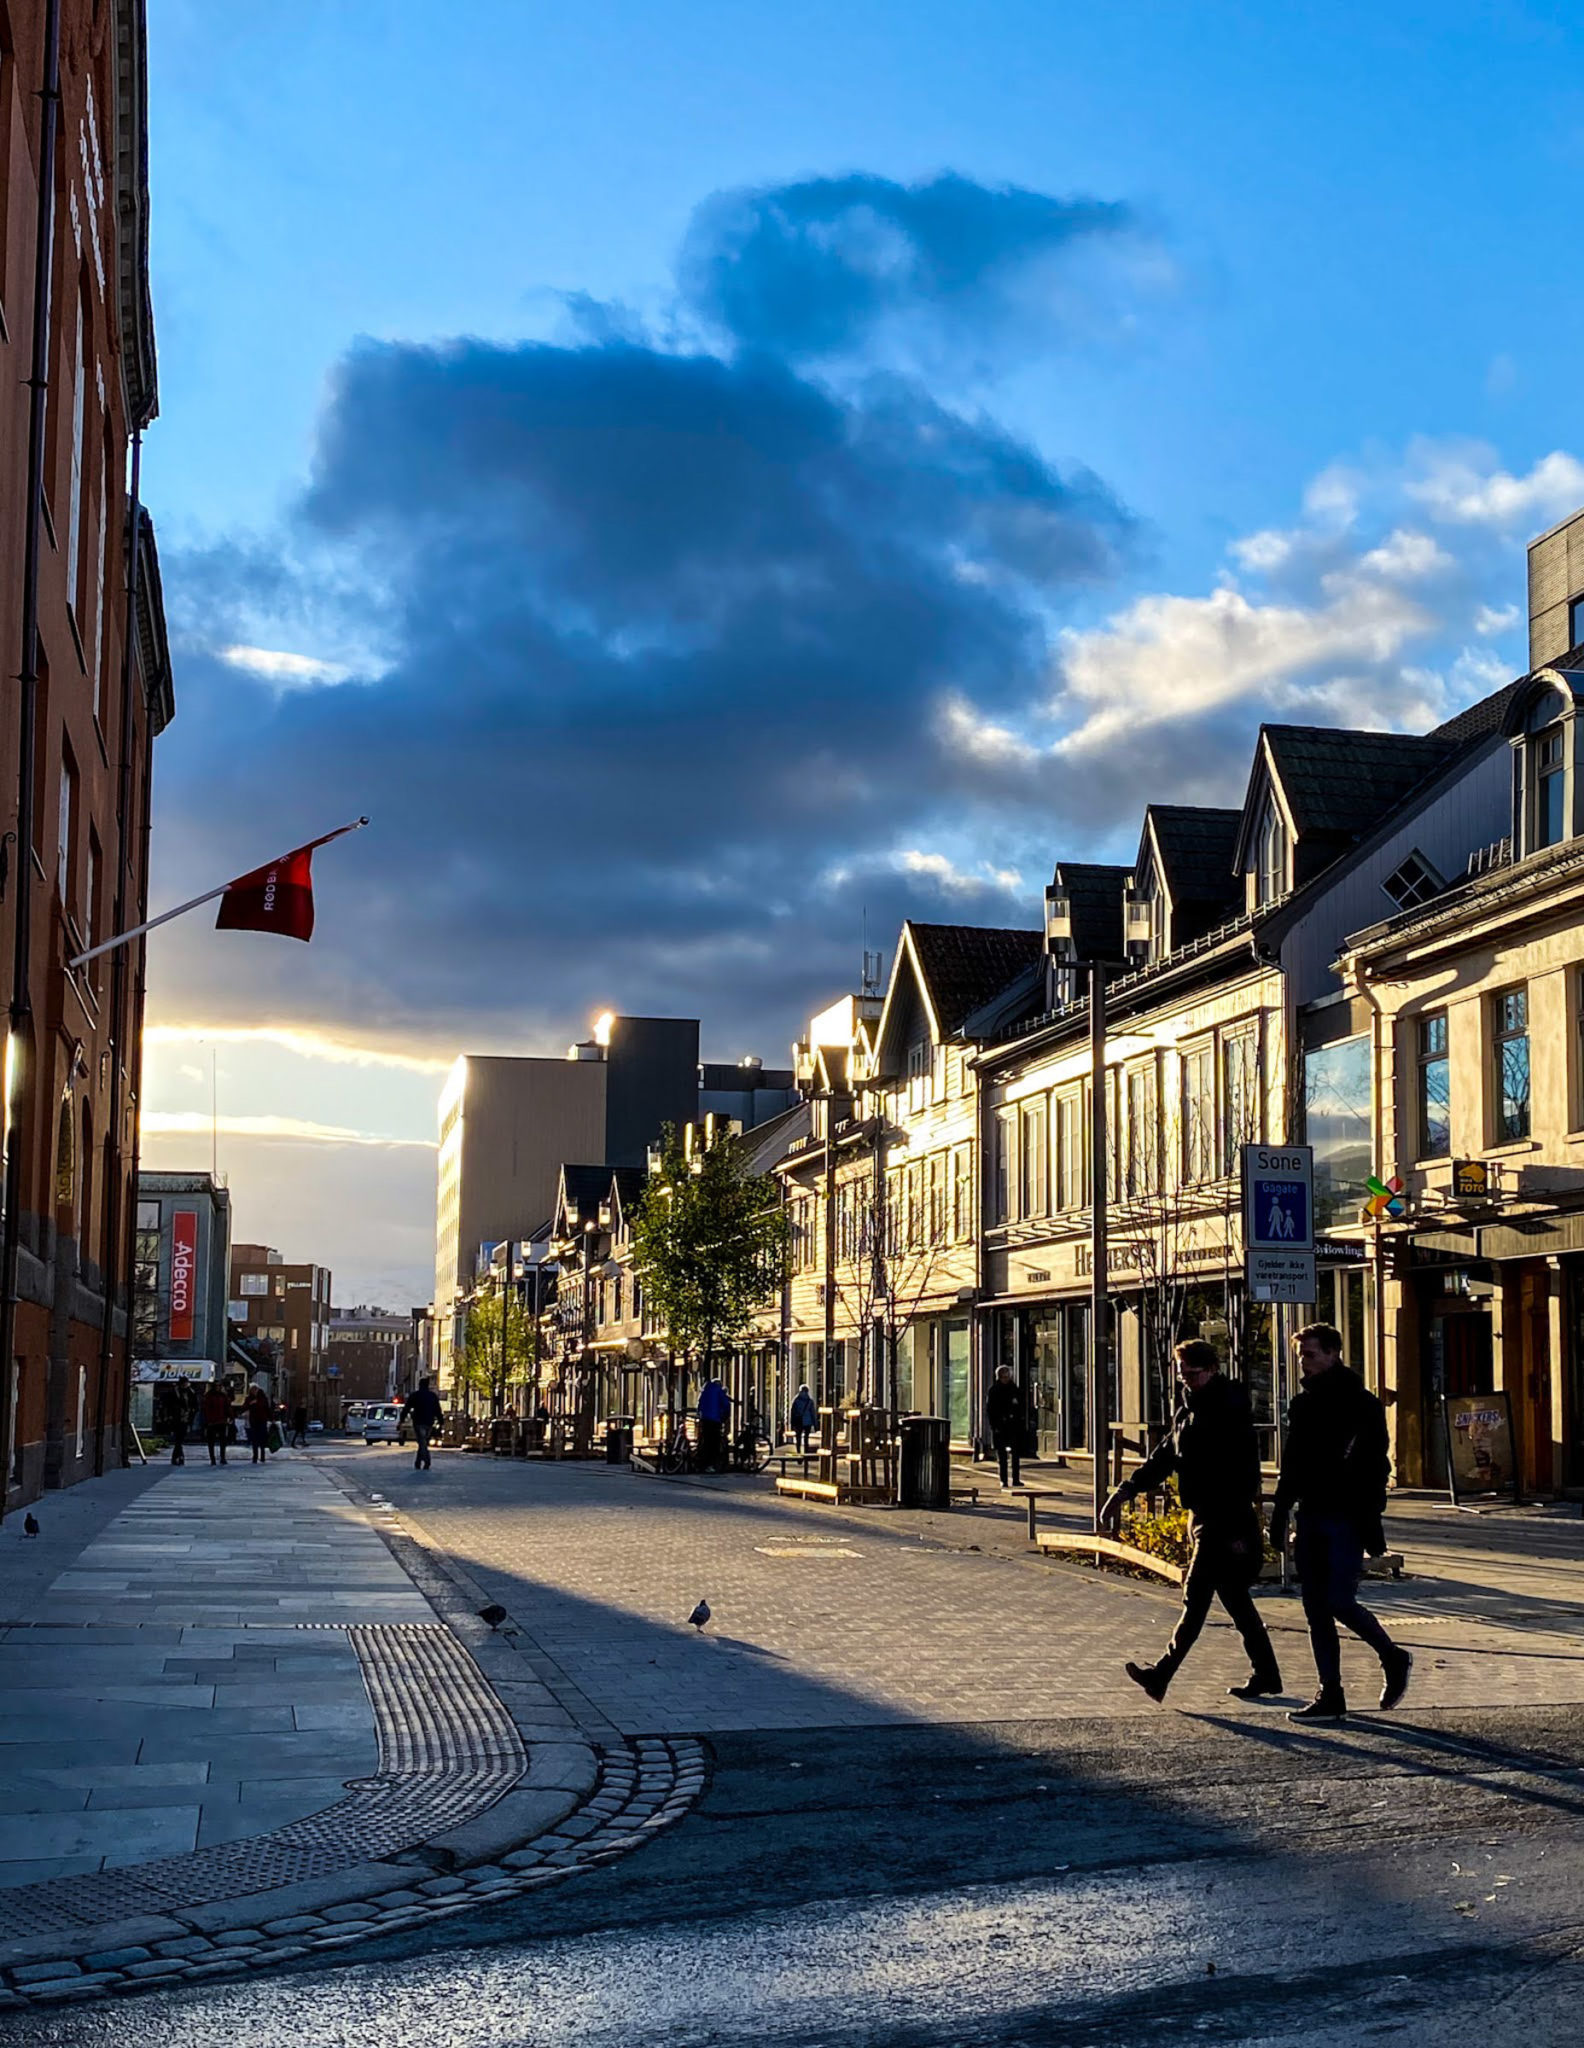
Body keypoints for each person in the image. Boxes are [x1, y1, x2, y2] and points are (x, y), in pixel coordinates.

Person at [1102, 1338, 1282, 1705]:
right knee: (1235, 1600)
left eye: (1193, 1374)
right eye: (1181, 1374)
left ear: (1213, 1370)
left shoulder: (1229, 1409)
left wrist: (1236, 1530)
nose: (1186, 1380)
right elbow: (1164, 1456)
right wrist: (1125, 1491)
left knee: (1196, 1597)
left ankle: (1160, 1675)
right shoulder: (1190, 1410)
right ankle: (1267, 1674)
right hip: (1203, 1517)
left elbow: (1244, 1474)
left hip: (1225, 1520)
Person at [1269, 1321, 1411, 1722]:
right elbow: (1292, 1464)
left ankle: (1392, 1655)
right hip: (1312, 1513)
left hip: (1346, 1516)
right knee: (1314, 1607)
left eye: (1310, 1355)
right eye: (1301, 1357)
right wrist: (1280, 1514)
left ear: (1333, 1353)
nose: (1304, 1364)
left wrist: (1371, 1520)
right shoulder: (1304, 1404)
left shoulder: (1362, 1404)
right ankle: (1330, 1692)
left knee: (1338, 1600)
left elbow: (1375, 1465)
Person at [985, 1365, 1026, 1489]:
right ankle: (1003, 1480)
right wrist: (994, 1425)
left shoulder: (1014, 1389)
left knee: (1016, 1455)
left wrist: (1020, 1420)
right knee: (1002, 1455)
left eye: (1007, 1377)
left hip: (1014, 1426)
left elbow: (1020, 1406)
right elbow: (990, 1410)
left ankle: (1016, 1479)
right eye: (1003, 1377)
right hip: (1000, 1427)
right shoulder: (994, 1390)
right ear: (998, 1377)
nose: (1005, 1379)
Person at [401, 1378, 443, 1471]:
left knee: (422, 1441)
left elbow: (406, 1408)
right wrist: (441, 1422)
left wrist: (401, 1420)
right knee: (423, 1441)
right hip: (429, 1422)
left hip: (418, 1422)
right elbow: (438, 1410)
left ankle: (426, 1460)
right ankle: (418, 1462)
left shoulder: (415, 1396)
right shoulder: (432, 1396)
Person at [696, 1376, 731, 1472]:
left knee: (705, 1441)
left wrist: (700, 1414)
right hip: (715, 1420)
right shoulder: (719, 1391)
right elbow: (726, 1405)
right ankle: (711, 1464)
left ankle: (701, 1463)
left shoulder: (705, 1390)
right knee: (713, 1443)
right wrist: (724, 1416)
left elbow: (699, 1404)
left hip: (704, 1419)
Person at [200, 1380, 232, 1466]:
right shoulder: (209, 1396)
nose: (218, 1387)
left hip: (222, 1421)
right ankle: (212, 1459)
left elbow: (227, 1407)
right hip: (212, 1422)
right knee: (211, 1442)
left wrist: (229, 1416)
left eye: (219, 1386)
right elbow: (206, 1409)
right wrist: (207, 1420)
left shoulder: (223, 1396)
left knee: (223, 1441)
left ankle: (222, 1457)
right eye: (216, 1386)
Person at [243, 1384, 272, 1465]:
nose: (254, 1391)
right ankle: (255, 1456)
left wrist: (271, 1418)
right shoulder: (249, 1399)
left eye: (255, 1389)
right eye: (252, 1389)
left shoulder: (263, 1398)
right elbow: (244, 1407)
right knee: (254, 1440)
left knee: (262, 1439)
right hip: (254, 1421)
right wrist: (250, 1404)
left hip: (262, 1420)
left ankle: (262, 1456)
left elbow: (267, 1408)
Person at [789, 1383, 817, 1455]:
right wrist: (815, 1424)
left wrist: (791, 1423)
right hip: (807, 1422)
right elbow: (812, 1413)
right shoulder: (810, 1401)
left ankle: (798, 1452)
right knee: (806, 1438)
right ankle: (806, 1453)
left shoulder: (796, 1400)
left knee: (798, 1438)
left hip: (798, 1421)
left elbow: (792, 1412)